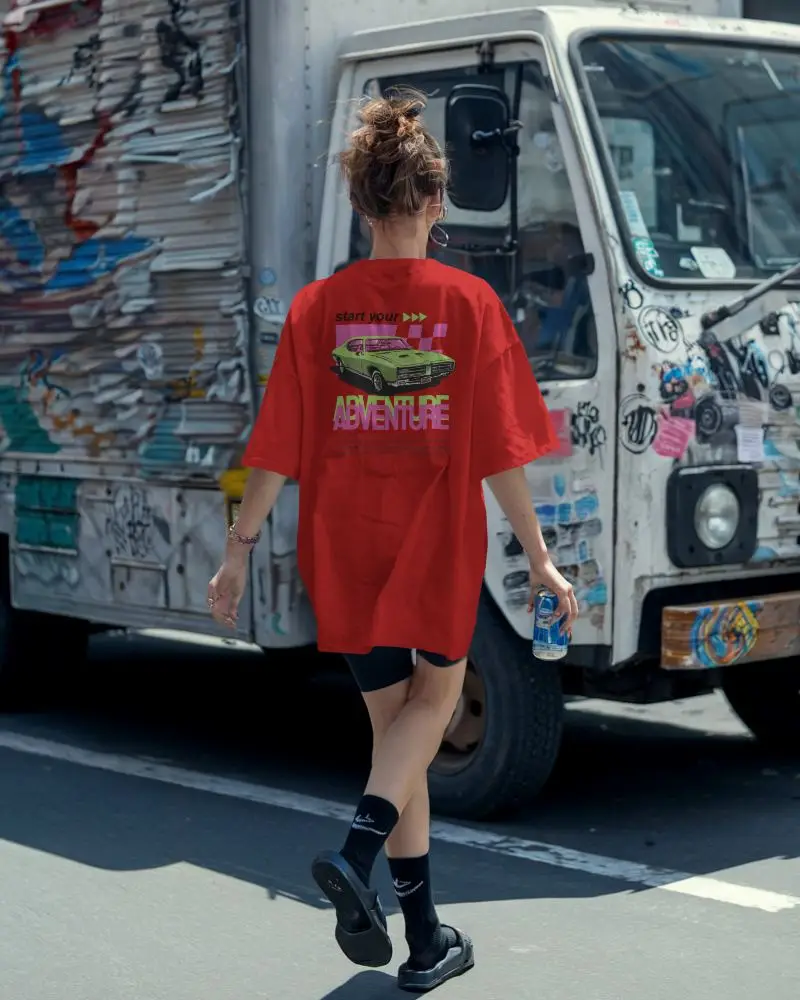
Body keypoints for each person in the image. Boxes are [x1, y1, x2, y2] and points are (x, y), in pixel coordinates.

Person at [207, 90, 578, 994]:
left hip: (345, 541)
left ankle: (422, 944)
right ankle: (356, 850)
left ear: (365, 205)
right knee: (437, 711)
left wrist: (239, 548)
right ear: (437, 203)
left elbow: (277, 443)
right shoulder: (470, 304)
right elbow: (499, 450)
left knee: (396, 738)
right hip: (433, 538)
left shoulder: (315, 309)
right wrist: (538, 555)